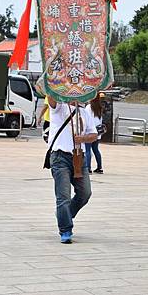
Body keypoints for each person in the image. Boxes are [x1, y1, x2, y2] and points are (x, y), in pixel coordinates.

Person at [46, 96, 97, 244]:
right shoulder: (59, 107)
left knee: (85, 192)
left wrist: (83, 139)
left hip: (79, 157)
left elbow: (93, 134)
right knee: (63, 196)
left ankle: (65, 214)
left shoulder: (84, 111)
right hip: (60, 156)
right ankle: (65, 229)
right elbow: (51, 99)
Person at [84, 95, 104, 174]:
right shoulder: (99, 107)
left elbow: (86, 118)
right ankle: (100, 167)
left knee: (88, 150)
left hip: (90, 131)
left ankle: (88, 168)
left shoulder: (89, 107)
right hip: (98, 132)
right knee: (96, 150)